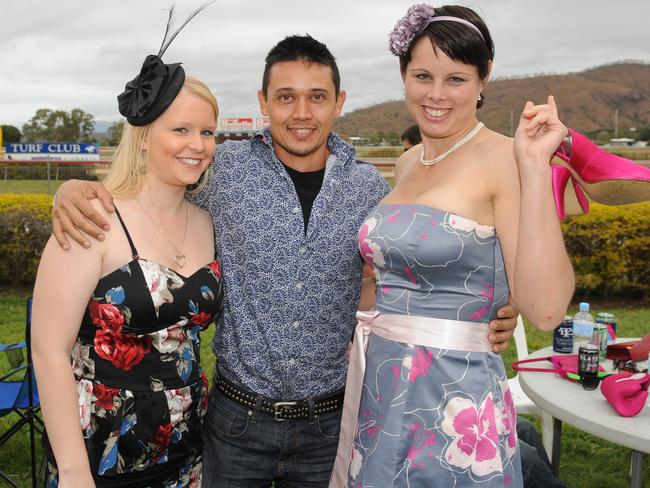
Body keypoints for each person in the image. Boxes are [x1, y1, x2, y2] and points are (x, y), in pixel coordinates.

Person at [50, 35, 519, 487]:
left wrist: (500, 302)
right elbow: (150, 188)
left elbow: (429, 261)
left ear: (339, 102)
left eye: (317, 97)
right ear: (263, 100)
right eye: (286, 97)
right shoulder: (222, 169)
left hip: (329, 425)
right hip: (234, 421)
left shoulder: (371, 190)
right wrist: (72, 191)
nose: (301, 113)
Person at [329, 5, 575, 487]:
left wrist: (533, 166)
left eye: (456, 79)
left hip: (455, 395)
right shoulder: (406, 164)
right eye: (423, 75)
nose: (436, 95)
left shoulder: (509, 158)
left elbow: (546, 310)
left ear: (484, 79)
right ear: (404, 77)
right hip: (381, 385)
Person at [31, 14, 223, 487]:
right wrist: (75, 471)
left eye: (207, 132)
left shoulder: (208, 221)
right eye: (181, 130)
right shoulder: (92, 219)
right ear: (143, 136)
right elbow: (48, 349)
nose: (197, 146)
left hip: (188, 455)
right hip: (101, 458)